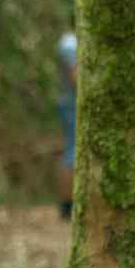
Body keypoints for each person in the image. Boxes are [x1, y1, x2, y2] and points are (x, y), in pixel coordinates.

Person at [55, 29, 78, 219]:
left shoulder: (69, 42)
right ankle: (67, 205)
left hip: (69, 102)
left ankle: (67, 204)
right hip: (71, 104)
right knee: (72, 152)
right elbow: (74, 75)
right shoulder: (70, 43)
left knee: (71, 150)